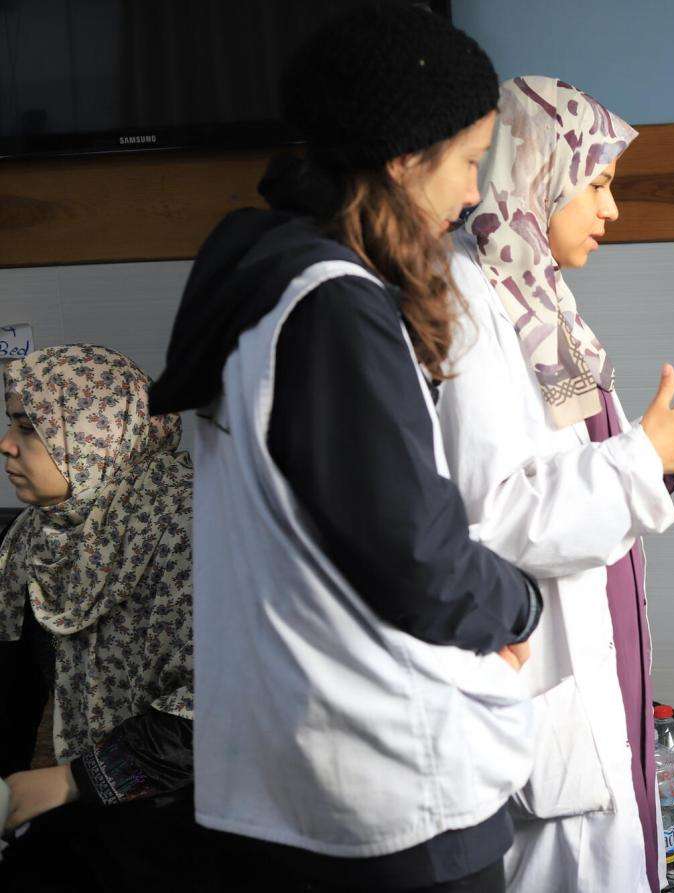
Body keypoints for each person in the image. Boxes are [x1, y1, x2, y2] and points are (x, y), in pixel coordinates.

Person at [148, 6, 543, 891]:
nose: (475, 191)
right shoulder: (334, 307)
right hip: (389, 798)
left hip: (292, 778)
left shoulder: (261, 285)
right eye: (471, 160)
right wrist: (519, 606)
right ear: (406, 158)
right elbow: (420, 559)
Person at [439, 76, 674, 892]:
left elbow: (575, 469)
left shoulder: (540, 299)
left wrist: (658, 458)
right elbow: (500, 515)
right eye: (598, 183)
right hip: (542, 664)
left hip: (600, 648)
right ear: (537, 170)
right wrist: (641, 457)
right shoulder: (468, 304)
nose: (611, 209)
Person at [0, 344, 209, 892]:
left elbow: (219, 707)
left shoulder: (191, 527)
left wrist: (70, 781)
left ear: (98, 432)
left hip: (196, 821)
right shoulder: (33, 541)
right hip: (81, 810)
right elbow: (13, 692)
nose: (5, 445)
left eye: (28, 426)